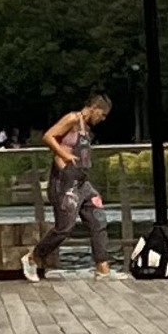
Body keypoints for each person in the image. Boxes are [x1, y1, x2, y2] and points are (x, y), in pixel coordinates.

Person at [38, 94, 114, 276]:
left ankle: (102, 267)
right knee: (64, 229)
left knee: (98, 219)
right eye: (102, 115)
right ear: (94, 108)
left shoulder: (86, 129)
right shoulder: (72, 119)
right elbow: (48, 136)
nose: (102, 119)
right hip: (64, 182)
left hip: (82, 183)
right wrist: (64, 156)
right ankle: (34, 257)